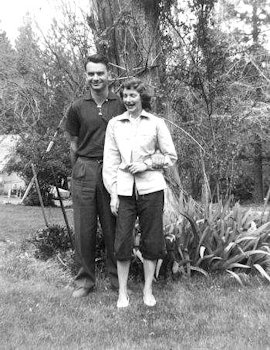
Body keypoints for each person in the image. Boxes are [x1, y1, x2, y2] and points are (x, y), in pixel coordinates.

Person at [103, 77, 177, 308]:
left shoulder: (156, 123)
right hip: (124, 191)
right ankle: (122, 293)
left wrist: (147, 165)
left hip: (152, 189)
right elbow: (111, 162)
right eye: (125, 95)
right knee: (122, 242)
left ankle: (147, 290)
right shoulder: (115, 124)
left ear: (142, 98)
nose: (128, 100)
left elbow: (170, 156)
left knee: (152, 241)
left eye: (132, 95)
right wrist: (114, 194)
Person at [65, 53, 126, 298]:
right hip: (85, 170)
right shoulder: (77, 107)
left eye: (100, 73)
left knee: (114, 228)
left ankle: (116, 280)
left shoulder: (120, 104)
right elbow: (73, 144)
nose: (95, 78)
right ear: (86, 76)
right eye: (91, 73)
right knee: (84, 229)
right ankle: (84, 281)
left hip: (112, 171)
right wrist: (77, 173)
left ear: (109, 75)